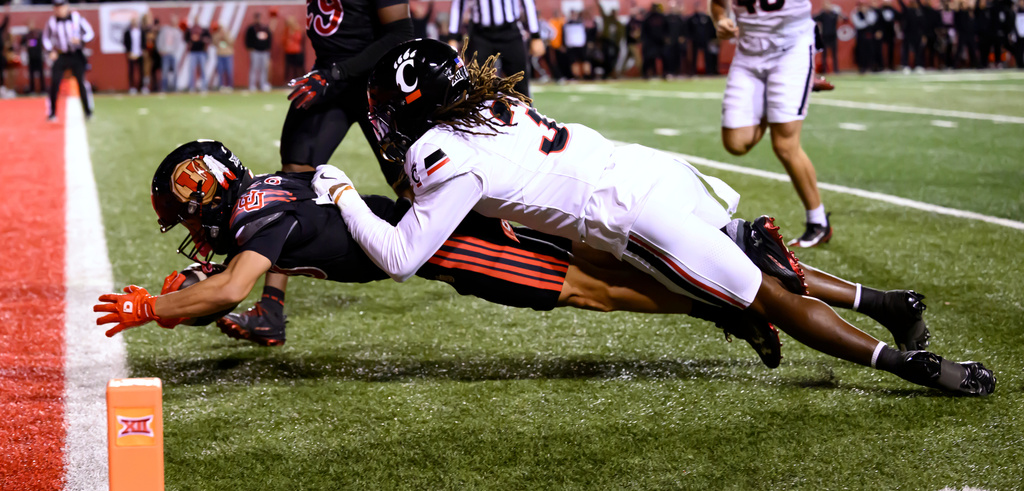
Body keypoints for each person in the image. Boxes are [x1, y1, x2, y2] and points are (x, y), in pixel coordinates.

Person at [311, 39, 992, 396]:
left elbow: (401, 255)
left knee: (768, 297)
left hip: (628, 213)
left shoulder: (439, 149)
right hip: (649, 168)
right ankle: (887, 301)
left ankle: (907, 365)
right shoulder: (492, 102)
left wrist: (340, 188)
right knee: (748, 262)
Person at [95, 140, 931, 374]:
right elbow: (261, 256)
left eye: (184, 208)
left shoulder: (250, 222)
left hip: (449, 248)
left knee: (594, 292)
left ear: (206, 195)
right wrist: (238, 294)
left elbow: (238, 280)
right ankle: (734, 284)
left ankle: (732, 297)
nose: (187, 223)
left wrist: (153, 307)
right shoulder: (264, 195)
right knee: (603, 274)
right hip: (448, 227)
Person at [225, 0, 416, 344]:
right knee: (287, 187)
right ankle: (271, 310)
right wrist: (329, 75)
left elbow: (399, 34)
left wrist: (336, 73)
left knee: (416, 187)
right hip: (329, 80)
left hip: (376, 86)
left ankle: (495, 246)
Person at [698, 0, 856, 248]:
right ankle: (784, 95)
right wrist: (720, 19)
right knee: (736, 144)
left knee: (785, 144)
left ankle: (818, 221)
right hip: (750, 49)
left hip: (791, 42)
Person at [42, 0, 95, 121]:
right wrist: (50, 51)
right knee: (54, 83)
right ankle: (52, 113)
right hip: (60, 54)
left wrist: (81, 40)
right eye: (56, 7)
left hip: (76, 54)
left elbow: (90, 32)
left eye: (61, 6)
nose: (59, 9)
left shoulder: (77, 18)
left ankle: (88, 112)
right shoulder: (52, 21)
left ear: (67, 6)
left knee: (81, 83)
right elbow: (45, 39)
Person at [244, 12, 272, 92]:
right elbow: (247, 38)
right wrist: (249, 47)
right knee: (254, 68)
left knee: (264, 68)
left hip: (264, 51)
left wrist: (268, 48)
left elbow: (269, 38)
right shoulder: (251, 28)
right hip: (255, 51)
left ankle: (263, 84)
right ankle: (252, 85)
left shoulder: (265, 28)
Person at [157, 17, 184, 92]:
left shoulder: (178, 31)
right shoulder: (165, 29)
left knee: (175, 71)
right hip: (165, 53)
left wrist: (174, 51)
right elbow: (160, 39)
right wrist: (160, 49)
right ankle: (164, 88)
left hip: (173, 54)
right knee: (164, 72)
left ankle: (174, 88)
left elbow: (178, 44)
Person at [185, 23, 212, 93]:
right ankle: (191, 87)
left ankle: (204, 87)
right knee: (191, 70)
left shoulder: (204, 31)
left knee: (202, 69)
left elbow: (209, 39)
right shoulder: (190, 30)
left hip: (201, 52)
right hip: (193, 52)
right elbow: (186, 38)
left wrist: (205, 40)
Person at [211, 21, 235, 91]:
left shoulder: (228, 33)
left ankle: (230, 86)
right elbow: (214, 43)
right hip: (220, 54)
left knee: (229, 71)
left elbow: (231, 42)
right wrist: (219, 37)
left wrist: (224, 36)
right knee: (220, 71)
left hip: (228, 54)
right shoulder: (216, 35)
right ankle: (221, 86)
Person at [123, 17, 144, 93]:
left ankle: (141, 87)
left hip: (140, 53)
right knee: (131, 72)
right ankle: (132, 87)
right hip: (131, 54)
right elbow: (125, 43)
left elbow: (143, 41)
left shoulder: (141, 31)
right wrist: (128, 52)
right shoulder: (127, 32)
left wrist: (143, 50)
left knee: (141, 71)